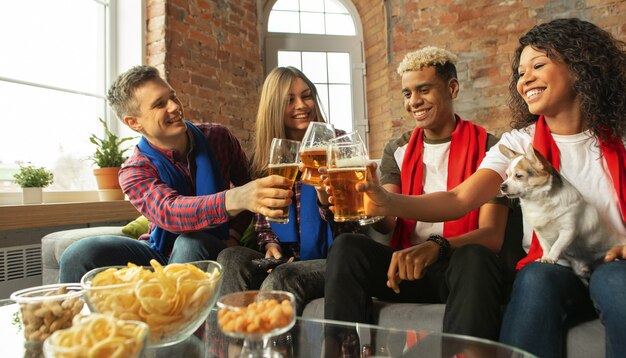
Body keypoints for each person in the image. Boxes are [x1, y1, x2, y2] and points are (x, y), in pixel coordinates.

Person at [353, 19, 626, 358]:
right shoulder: (517, 145)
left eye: (538, 65)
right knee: (536, 281)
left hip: (615, 264)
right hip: (553, 268)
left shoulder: (620, 140)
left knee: (617, 282)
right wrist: (387, 200)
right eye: (520, 72)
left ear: (582, 68)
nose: (525, 79)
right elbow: (458, 198)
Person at [323, 46, 513, 351]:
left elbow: (492, 236)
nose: (414, 102)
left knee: (475, 256)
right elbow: (387, 224)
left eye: (423, 90)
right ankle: (337, 351)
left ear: (452, 88)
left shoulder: (491, 148)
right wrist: (368, 204)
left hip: (460, 267)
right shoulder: (396, 149)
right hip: (406, 267)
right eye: (407, 93)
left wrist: (436, 247)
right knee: (347, 247)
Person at [59, 65, 294, 283]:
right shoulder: (134, 170)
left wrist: (233, 232)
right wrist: (235, 198)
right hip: (159, 249)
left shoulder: (218, 138)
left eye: (172, 96)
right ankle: (69, 325)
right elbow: (170, 212)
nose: (174, 106)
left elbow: (250, 186)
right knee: (78, 254)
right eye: (159, 104)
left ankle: (179, 323)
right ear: (134, 122)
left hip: (212, 245)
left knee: (191, 242)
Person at [217, 66, 361, 314]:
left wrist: (325, 200)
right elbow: (264, 223)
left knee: (282, 278)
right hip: (286, 258)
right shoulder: (268, 156)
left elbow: (351, 225)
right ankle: (229, 347)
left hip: (335, 258)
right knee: (229, 258)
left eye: (306, 96)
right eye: (289, 100)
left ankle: (270, 349)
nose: (302, 105)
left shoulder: (338, 143)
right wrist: (271, 246)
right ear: (273, 107)